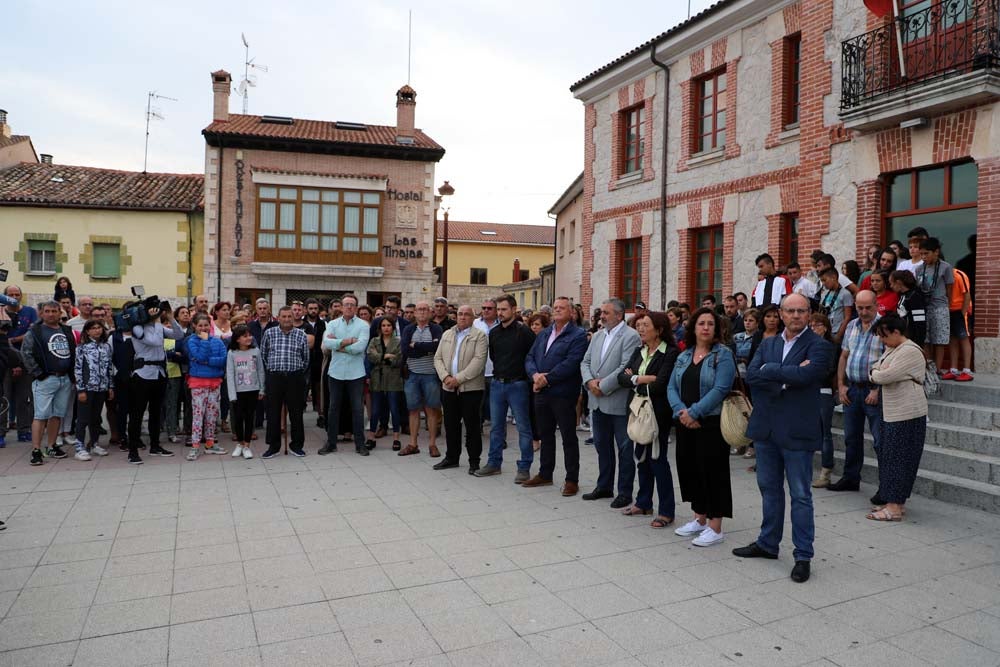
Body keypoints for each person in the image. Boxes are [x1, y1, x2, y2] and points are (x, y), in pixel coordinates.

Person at [736, 293, 834, 583]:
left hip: (797, 431)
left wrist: (773, 373)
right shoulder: (768, 343)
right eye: (790, 311)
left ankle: (803, 555)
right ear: (780, 312)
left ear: (809, 313)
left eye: (801, 311)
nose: (795, 316)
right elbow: (752, 376)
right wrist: (786, 376)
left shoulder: (819, 346)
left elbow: (809, 376)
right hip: (766, 429)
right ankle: (768, 543)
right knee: (769, 489)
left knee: (801, 495)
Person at [667, 308, 736, 547]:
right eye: (701, 323)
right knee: (690, 469)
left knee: (713, 473)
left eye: (710, 324)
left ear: (716, 329)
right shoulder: (684, 355)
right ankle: (699, 517)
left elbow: (721, 388)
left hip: (711, 423)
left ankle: (715, 527)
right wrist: (681, 412)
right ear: (693, 328)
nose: (705, 327)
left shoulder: (723, 355)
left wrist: (695, 412)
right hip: (685, 422)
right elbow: (671, 387)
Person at [522, 297, 589, 495]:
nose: (557, 311)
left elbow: (572, 362)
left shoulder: (578, 335)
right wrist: (535, 375)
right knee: (545, 435)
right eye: (555, 308)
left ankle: (571, 480)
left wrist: (547, 379)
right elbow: (530, 357)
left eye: (562, 308)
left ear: (571, 312)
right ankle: (545, 473)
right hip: (541, 392)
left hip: (563, 393)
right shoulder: (544, 333)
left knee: (568, 437)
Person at [619, 311, 680, 528]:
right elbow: (622, 377)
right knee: (641, 458)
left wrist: (633, 379)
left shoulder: (670, 353)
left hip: (657, 412)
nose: (641, 329)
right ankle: (643, 502)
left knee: (657, 460)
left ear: (659, 329)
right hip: (638, 410)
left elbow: (661, 384)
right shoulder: (640, 350)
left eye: (646, 325)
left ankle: (666, 510)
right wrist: (639, 379)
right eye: (639, 325)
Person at [580, 298, 641, 508]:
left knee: (624, 448)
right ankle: (604, 486)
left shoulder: (630, 336)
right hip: (596, 400)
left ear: (619, 314)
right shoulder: (597, 336)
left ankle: (624, 491)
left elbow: (626, 366)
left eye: (606, 313)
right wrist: (589, 382)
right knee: (602, 445)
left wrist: (602, 386)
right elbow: (585, 362)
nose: (602, 316)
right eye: (601, 312)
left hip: (617, 400)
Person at [867, 314, 928, 521]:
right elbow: (876, 367)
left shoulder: (910, 350)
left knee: (899, 458)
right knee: (891, 456)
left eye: (884, 336)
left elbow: (884, 375)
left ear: (896, 332)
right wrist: (877, 370)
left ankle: (894, 506)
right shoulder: (893, 349)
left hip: (907, 412)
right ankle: (894, 502)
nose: (882, 341)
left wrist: (877, 372)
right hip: (893, 411)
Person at [477, 296, 538, 479]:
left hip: (518, 384)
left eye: (504, 309)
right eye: (499, 310)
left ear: (513, 309)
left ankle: (524, 467)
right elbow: (494, 356)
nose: (501, 313)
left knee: (523, 427)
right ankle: (494, 463)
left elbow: (531, 357)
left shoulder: (524, 332)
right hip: (497, 383)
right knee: (496, 427)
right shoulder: (494, 333)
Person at [829, 290, 883, 493]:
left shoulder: (884, 327)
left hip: (873, 392)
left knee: (880, 441)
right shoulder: (852, 325)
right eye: (860, 307)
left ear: (876, 305)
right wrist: (841, 385)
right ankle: (851, 478)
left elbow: (889, 361)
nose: (864, 311)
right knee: (851, 437)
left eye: (868, 307)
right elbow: (844, 356)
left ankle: (885, 486)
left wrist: (877, 389)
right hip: (852, 390)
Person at [20, 301, 77, 466]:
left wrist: (71, 375)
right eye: (47, 311)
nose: (51, 314)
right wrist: (39, 373)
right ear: (42, 313)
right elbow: (26, 354)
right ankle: (36, 450)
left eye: (54, 311)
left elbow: (72, 352)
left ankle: (51, 446)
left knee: (57, 414)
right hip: (45, 379)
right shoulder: (35, 332)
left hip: (64, 378)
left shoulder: (66, 330)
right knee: (40, 415)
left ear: (60, 313)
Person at [433, 305, 488, 473]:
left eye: (467, 314)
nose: (462, 317)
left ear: (473, 318)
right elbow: (438, 358)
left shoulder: (479, 336)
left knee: (472, 426)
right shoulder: (447, 334)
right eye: (460, 314)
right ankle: (452, 458)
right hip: (448, 387)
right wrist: (446, 378)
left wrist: (458, 379)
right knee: (450, 424)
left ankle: (474, 461)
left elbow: (478, 362)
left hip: (470, 389)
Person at [128, 301, 184, 463]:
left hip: (159, 373)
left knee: (156, 412)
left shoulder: (158, 326)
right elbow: (155, 342)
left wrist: (172, 318)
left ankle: (155, 445)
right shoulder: (137, 327)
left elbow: (178, 335)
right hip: (143, 374)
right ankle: (133, 450)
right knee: (137, 414)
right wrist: (157, 321)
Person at [320, 294, 370, 457]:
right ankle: (331, 443)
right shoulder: (333, 324)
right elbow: (327, 343)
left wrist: (338, 345)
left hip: (356, 374)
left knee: (357, 409)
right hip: (335, 373)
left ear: (356, 308)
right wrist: (347, 341)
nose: (349, 307)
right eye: (346, 304)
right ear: (341, 307)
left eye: (352, 305)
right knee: (333, 408)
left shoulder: (363, 325)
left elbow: (360, 347)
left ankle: (360, 444)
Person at [260, 306, 310, 458]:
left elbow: (305, 358)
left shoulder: (301, 335)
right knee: (273, 412)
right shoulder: (269, 333)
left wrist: (296, 371)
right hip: (275, 377)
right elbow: (264, 354)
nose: (287, 319)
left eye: (289, 316)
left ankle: (297, 445)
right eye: (284, 316)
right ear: (278, 317)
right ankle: (273, 446)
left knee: (296, 412)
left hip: (294, 377)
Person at [399, 302, 443, 457]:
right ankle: (413, 444)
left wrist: (416, 345)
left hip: (431, 375)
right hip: (412, 375)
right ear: (414, 313)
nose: (422, 312)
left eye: (425, 309)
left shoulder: (436, 328)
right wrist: (426, 348)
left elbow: (437, 348)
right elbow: (405, 350)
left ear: (430, 313)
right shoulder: (408, 329)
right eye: (419, 310)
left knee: (431, 410)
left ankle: (432, 444)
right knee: (413, 410)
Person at [183, 313, 228, 460]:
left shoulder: (218, 341)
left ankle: (210, 443)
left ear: (210, 325)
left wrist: (208, 362)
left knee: (212, 414)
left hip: (214, 381)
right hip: (198, 382)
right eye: (200, 325)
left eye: (206, 325)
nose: (204, 328)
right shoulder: (191, 341)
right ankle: (195, 446)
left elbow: (223, 359)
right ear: (194, 326)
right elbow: (199, 356)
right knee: (198, 415)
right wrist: (204, 341)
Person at [73, 319, 114, 460]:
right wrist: (81, 389)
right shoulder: (81, 348)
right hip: (87, 387)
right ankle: (79, 446)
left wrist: (110, 386)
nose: (97, 330)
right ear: (87, 331)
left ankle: (94, 443)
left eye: (99, 328)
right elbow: (78, 369)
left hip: (102, 388)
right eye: (93, 328)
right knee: (83, 418)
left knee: (96, 418)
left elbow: (109, 368)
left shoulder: (106, 347)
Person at [916, 237, 955, 377]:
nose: (923, 257)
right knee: (925, 339)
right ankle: (927, 367)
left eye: (926, 253)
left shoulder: (945, 267)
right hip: (925, 307)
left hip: (940, 307)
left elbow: (950, 288)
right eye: (921, 254)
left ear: (936, 252)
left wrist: (948, 305)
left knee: (939, 339)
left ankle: (937, 369)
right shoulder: (920, 268)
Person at [226, 324, 265, 459]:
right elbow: (230, 374)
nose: (249, 338)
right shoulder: (232, 353)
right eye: (245, 336)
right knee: (238, 418)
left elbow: (260, 370)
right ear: (237, 339)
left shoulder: (256, 351)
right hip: (238, 392)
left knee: (249, 418)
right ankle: (240, 443)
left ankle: (247, 445)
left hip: (253, 390)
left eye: (250, 335)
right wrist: (232, 394)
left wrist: (261, 389)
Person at [808, 313, 838, 489]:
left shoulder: (830, 346)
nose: (813, 328)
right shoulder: (806, 344)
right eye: (810, 325)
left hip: (823, 391)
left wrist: (809, 370)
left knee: (825, 434)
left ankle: (826, 473)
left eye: (816, 325)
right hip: (807, 392)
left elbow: (829, 370)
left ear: (825, 327)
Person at [367, 317, 404, 451]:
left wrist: (382, 358)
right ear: (379, 327)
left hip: (393, 378)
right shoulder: (374, 340)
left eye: (389, 325)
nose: (386, 328)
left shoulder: (398, 342)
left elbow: (399, 359)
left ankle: (396, 438)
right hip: (377, 378)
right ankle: (371, 437)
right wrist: (386, 356)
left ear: (393, 327)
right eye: (383, 325)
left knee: (394, 409)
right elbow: (371, 356)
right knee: (376, 410)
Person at [473, 298, 500, 426]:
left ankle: (500, 437)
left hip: (497, 370)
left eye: (489, 308)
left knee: (497, 406)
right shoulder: (475, 323)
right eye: (484, 308)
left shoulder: (502, 324)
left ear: (496, 310)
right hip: (478, 370)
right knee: (477, 404)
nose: (486, 310)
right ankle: (476, 432)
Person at [944, 266, 973, 382]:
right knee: (952, 339)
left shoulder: (959, 275)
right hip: (948, 311)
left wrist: (963, 313)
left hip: (960, 310)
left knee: (963, 338)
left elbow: (967, 294)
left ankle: (967, 370)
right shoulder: (942, 276)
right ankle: (953, 369)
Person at [891, 270, 927, 348]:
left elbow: (920, 321)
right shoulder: (902, 295)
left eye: (892, 283)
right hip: (905, 335)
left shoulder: (914, 296)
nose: (891, 286)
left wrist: (918, 342)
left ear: (898, 282)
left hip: (913, 337)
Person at [817, 267, 854, 344]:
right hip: (824, 331)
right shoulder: (824, 293)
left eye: (824, 280)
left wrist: (839, 335)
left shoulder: (845, 294)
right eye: (821, 281)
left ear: (833, 278)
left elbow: (847, 317)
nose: (823, 283)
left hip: (836, 331)